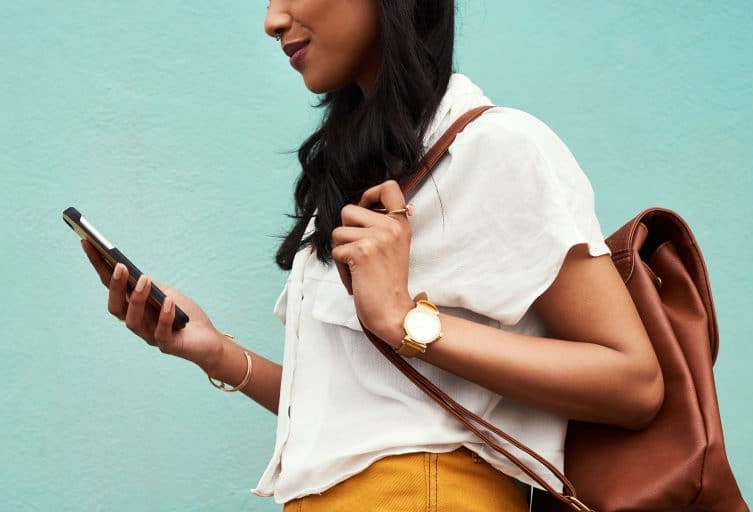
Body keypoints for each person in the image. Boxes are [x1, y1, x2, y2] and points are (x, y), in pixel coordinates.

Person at [81, 1, 664, 510]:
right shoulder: (361, 173)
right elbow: (368, 417)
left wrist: (404, 320)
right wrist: (216, 354)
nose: (271, 19)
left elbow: (634, 382)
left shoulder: (498, 147)